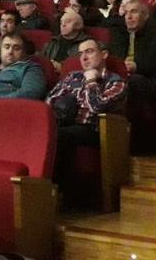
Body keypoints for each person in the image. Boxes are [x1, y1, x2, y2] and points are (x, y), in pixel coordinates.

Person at [46, 39, 127, 204]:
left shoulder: (115, 81)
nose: (83, 57)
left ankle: (52, 194)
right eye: (80, 54)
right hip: (63, 122)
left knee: (59, 136)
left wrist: (91, 82)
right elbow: (50, 100)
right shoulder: (72, 77)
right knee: (44, 133)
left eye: (89, 52)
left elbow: (97, 107)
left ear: (103, 54)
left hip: (94, 129)